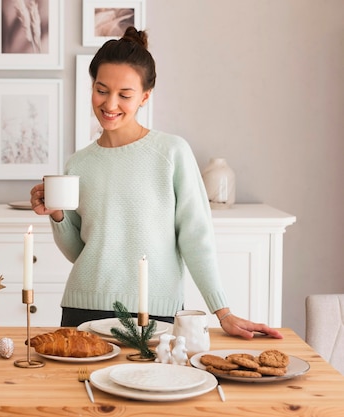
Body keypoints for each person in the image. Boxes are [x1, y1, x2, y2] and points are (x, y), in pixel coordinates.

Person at [30, 26, 281, 340]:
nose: (110, 104)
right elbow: (80, 252)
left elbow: (196, 238)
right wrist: (57, 215)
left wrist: (223, 312)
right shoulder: (78, 163)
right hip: (82, 310)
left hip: (153, 312)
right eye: (102, 89)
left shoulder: (171, 153)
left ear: (145, 96)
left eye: (125, 94)